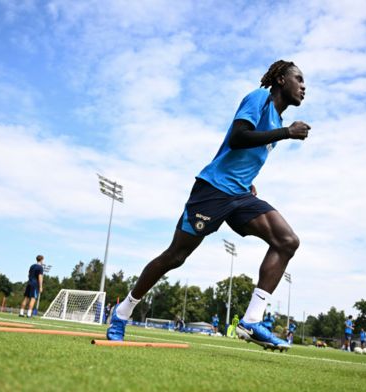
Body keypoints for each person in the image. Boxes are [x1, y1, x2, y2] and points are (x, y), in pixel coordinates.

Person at [106, 60, 310, 353]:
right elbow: (238, 138)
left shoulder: (277, 120)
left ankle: (251, 320)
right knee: (175, 256)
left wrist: (248, 180)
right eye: (299, 79)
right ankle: (122, 311)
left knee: (287, 241)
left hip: (240, 195)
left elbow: (247, 158)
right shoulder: (259, 98)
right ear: (280, 79)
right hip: (212, 190)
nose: (303, 87)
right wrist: (287, 133)